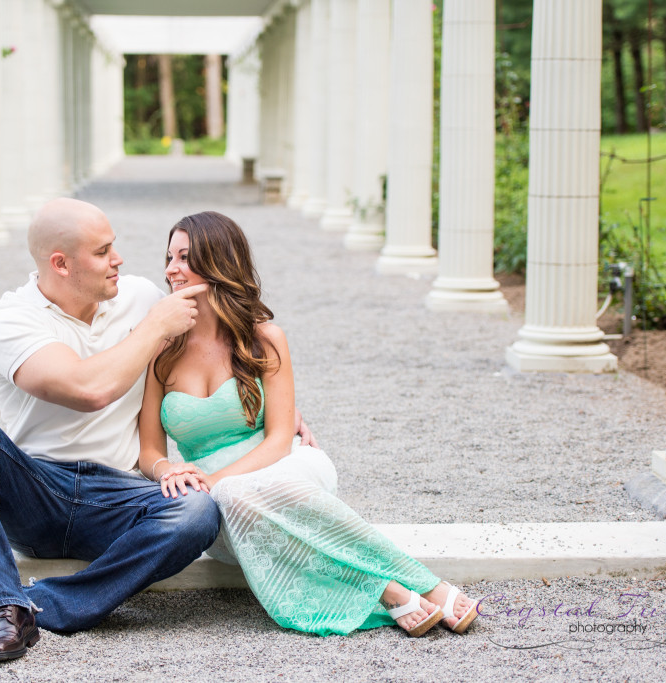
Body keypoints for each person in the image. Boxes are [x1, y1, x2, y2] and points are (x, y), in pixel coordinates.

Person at [138, 211, 480, 638]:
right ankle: (386, 588)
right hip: (222, 509)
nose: (171, 269)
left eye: (185, 257)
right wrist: (170, 472)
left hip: (285, 471)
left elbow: (281, 438)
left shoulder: (264, 338)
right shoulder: (160, 350)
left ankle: (428, 584)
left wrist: (212, 479)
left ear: (219, 261)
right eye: (169, 257)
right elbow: (149, 450)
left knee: (234, 491)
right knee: (232, 499)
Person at [0, 198, 225, 666]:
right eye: (103, 251)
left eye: (115, 246)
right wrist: (152, 329)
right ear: (60, 264)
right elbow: (89, 389)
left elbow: (219, 338)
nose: (119, 259)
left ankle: (34, 606)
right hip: (36, 492)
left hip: (118, 494)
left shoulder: (141, 297)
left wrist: (269, 404)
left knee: (197, 511)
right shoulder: (9, 320)